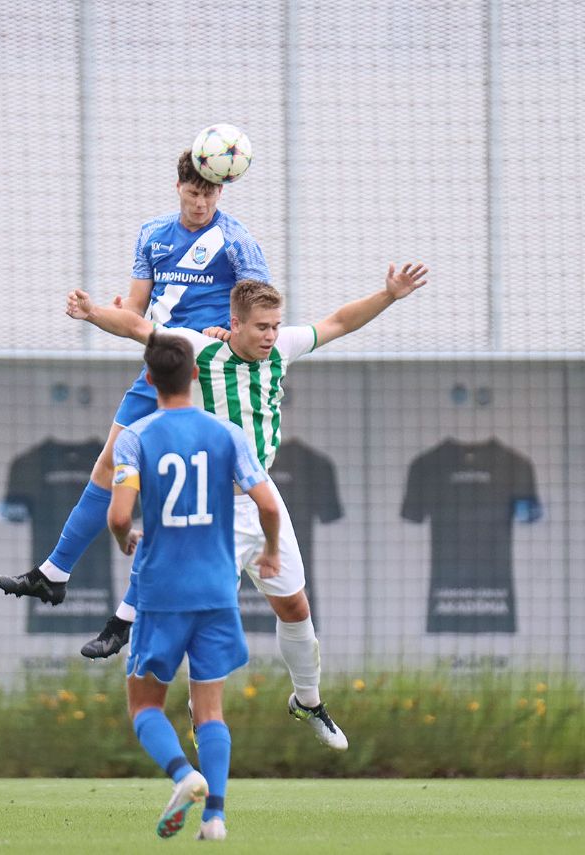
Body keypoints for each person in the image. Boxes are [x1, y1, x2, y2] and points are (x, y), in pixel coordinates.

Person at [67, 262, 430, 751]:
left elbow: (340, 322)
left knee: (294, 605)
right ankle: (193, 706)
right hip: (210, 504)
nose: (271, 335)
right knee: (203, 612)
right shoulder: (199, 348)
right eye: (261, 327)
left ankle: (308, 701)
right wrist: (92, 313)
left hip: (259, 495)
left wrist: (388, 295)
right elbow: (137, 327)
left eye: (276, 325)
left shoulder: (281, 348)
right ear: (234, 323)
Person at [0, 148, 268, 612]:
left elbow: (262, 311)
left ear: (222, 190)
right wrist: (95, 312)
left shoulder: (238, 241)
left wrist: (231, 331)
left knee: (188, 491)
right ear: (178, 187)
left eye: (210, 194)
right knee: (108, 463)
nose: (201, 203)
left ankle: (131, 614)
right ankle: (54, 573)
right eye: (193, 193)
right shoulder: (152, 234)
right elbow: (135, 313)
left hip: (213, 376)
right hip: (161, 367)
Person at [114, 332, 280, 841]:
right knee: (210, 710)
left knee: (144, 705)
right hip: (215, 590)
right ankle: (215, 818)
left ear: (149, 378)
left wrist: (125, 537)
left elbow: (118, 515)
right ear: (193, 374)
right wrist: (272, 551)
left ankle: (184, 776)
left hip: (162, 591)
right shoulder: (228, 434)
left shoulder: (135, 437)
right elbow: (268, 505)